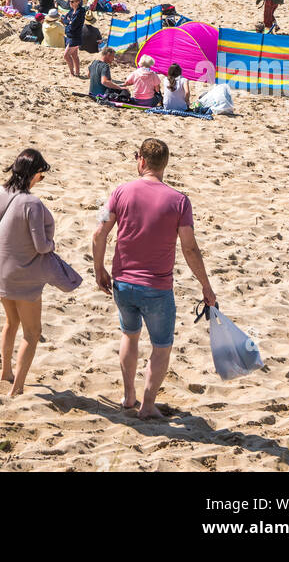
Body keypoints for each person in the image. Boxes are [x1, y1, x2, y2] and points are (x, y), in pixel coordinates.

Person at [92, 138, 216, 419]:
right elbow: (189, 248)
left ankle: (128, 396)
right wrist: (206, 286)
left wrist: (99, 269)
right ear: (164, 165)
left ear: (142, 161)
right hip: (157, 287)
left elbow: (99, 234)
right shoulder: (179, 201)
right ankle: (147, 405)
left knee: (129, 336)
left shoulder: (120, 192)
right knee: (161, 346)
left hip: (123, 283)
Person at [0, 149, 82, 396]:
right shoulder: (32, 203)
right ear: (34, 174)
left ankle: (6, 372)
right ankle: (17, 388)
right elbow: (41, 246)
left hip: (0, 268)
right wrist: (52, 245)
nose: (40, 180)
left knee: (10, 322)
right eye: (41, 175)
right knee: (32, 332)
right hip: (24, 273)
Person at [63, 0, 85, 78]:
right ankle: (77, 73)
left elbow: (73, 26)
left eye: (72, 1)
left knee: (66, 55)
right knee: (74, 55)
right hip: (70, 36)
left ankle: (72, 73)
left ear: (78, 2)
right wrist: (69, 22)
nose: (70, 3)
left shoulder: (80, 12)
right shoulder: (72, 11)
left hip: (75, 37)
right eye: (69, 1)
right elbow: (65, 19)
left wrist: (68, 23)